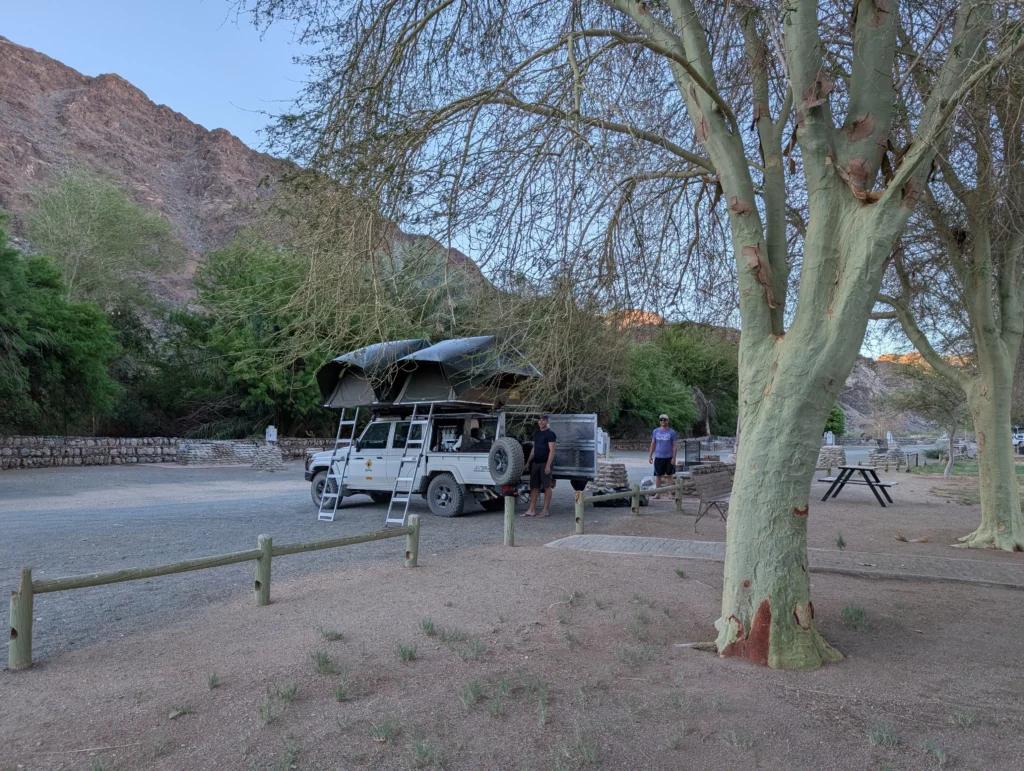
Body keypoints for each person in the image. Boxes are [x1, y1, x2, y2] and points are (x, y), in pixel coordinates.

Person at [523, 415, 557, 517]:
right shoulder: (537, 433)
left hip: (545, 463)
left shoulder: (550, 434)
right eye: (539, 420)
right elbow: (534, 448)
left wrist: (548, 466)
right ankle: (531, 509)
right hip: (536, 463)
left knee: (547, 486)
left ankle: (545, 510)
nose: (541, 422)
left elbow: (552, 451)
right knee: (534, 487)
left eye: (543, 420)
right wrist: (528, 462)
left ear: (547, 421)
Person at [648, 414, 678, 499]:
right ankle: (658, 494)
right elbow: (653, 444)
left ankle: (670, 494)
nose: (663, 421)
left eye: (664, 420)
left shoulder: (672, 432)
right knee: (658, 475)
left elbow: (675, 445)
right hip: (659, 456)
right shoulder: (656, 431)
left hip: (669, 456)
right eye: (661, 420)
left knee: (670, 475)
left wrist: (674, 458)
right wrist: (650, 455)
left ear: (667, 421)